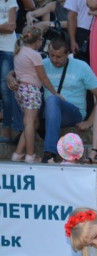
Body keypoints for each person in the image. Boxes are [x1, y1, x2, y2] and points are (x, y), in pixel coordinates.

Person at [10, 26, 61, 164]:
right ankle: (30, 155)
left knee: (33, 122)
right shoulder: (35, 55)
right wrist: (55, 93)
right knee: (29, 123)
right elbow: (43, 78)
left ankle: (18, 154)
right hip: (31, 90)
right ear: (37, 41)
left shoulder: (19, 51)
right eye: (41, 39)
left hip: (21, 90)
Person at [0, 0, 18, 144]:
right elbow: (7, 26)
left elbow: (11, 27)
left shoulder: (11, 0)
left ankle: (7, 129)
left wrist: (6, 27)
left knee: (6, 90)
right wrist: (3, 26)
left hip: (7, 49)